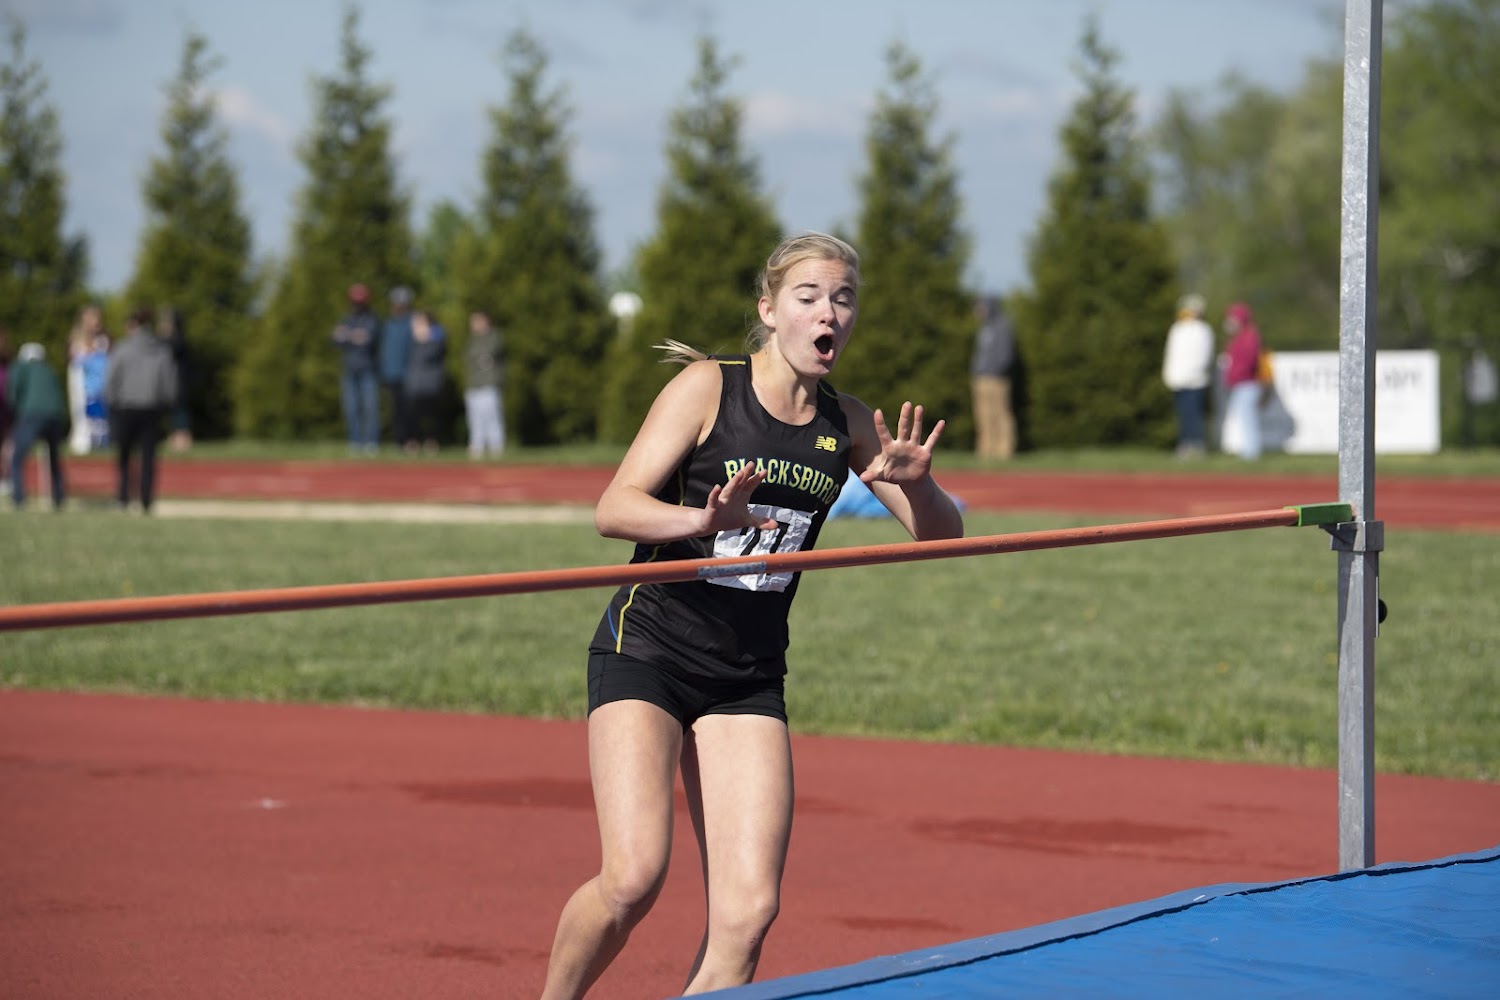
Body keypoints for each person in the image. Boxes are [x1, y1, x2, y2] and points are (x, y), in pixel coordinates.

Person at [540, 232, 964, 998]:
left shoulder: (848, 423)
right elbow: (614, 508)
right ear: (770, 310)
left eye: (843, 299)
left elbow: (941, 539)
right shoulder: (709, 388)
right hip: (650, 651)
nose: (828, 313)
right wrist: (700, 522)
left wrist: (920, 486)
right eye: (809, 297)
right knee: (633, 878)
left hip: (747, 676)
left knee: (747, 917)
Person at [104, 307, 179, 513]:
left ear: (133, 325)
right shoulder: (161, 350)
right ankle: (146, 500)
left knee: (124, 456)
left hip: (125, 408)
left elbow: (111, 379)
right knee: (148, 457)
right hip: (152, 409)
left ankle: (123, 498)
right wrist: (167, 404)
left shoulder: (122, 348)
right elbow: (169, 382)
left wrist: (112, 401)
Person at [7, 340, 72, 510]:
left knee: (16, 458)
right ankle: (59, 498)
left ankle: (18, 498)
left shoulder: (21, 367)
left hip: (32, 414)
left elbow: (13, 392)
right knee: (54, 458)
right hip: (56, 416)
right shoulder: (50, 370)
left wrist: (15, 414)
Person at [1161, 293, 1215, 459]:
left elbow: (1204, 356)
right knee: (1183, 415)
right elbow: (1171, 354)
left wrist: (1194, 373)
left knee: (1195, 414)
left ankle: (1197, 445)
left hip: (1196, 381)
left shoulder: (1203, 330)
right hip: (1178, 380)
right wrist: (1170, 375)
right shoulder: (1177, 329)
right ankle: (1185, 444)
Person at [331, 283, 381, 453]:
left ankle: (371, 442)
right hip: (349, 369)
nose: (357, 304)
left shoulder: (372, 319)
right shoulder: (347, 318)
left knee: (370, 407)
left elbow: (367, 339)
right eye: (355, 301)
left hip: (367, 369)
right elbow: (336, 338)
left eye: (360, 301)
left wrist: (347, 335)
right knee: (351, 408)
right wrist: (354, 336)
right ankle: (355, 441)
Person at [970, 294, 1017, 460]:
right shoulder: (985, 327)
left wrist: (997, 370)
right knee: (983, 414)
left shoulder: (1003, 326)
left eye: (981, 307)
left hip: (997, 378)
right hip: (981, 378)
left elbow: (1006, 354)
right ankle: (986, 450)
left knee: (1001, 413)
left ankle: (1004, 450)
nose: (979, 310)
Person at [1220, 301, 1265, 460]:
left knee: (1248, 417)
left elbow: (1249, 361)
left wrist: (1236, 374)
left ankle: (1251, 452)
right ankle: (1247, 450)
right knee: (1244, 417)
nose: (1229, 323)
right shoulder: (1238, 338)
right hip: (1240, 384)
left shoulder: (1249, 337)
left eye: (1232, 319)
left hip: (1248, 383)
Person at [66, 305, 111, 454]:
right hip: (83, 386)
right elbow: (76, 362)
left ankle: (101, 441)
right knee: (83, 414)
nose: (95, 323)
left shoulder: (103, 339)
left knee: (100, 416)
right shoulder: (76, 339)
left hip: (100, 385)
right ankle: (82, 442)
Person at [462, 309, 505, 459]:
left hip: (488, 383)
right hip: (474, 384)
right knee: (475, 418)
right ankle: (477, 445)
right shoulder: (472, 340)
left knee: (491, 415)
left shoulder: (494, 337)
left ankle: (496, 445)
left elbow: (490, 355)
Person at [403, 309, 447, 454]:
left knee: (431, 416)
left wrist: (425, 339)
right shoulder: (411, 339)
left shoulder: (437, 336)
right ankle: (413, 441)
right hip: (414, 383)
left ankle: (431, 442)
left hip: (431, 383)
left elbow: (432, 355)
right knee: (413, 415)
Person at [378, 286, 415, 448]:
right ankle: (399, 441)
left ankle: (411, 440)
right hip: (392, 374)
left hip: (409, 373)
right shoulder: (389, 324)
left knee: (410, 409)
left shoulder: (413, 322)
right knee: (396, 409)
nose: (397, 306)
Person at [158, 306, 193, 452]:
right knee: (173, 411)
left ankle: (182, 439)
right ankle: (175, 437)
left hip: (179, 382)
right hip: (171, 382)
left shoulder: (178, 340)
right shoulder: (170, 340)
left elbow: (168, 349)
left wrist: (163, 336)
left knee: (180, 411)